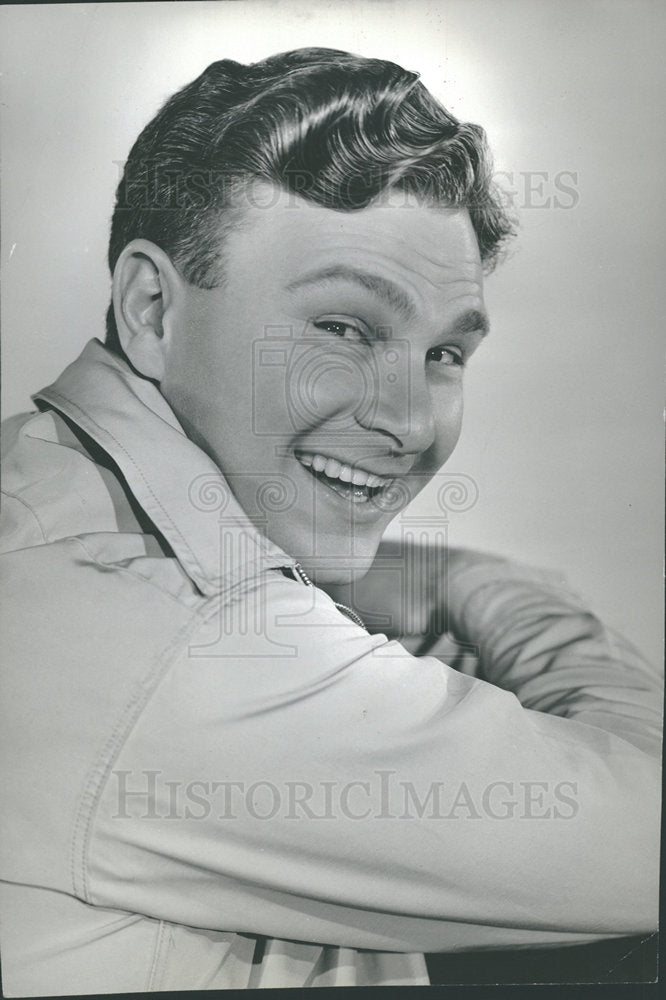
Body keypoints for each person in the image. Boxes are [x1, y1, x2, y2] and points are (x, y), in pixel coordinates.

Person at [0, 47, 660, 994]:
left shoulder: (42, 481)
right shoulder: (195, 641)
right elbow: (645, 836)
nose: (410, 423)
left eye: (443, 354)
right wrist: (501, 594)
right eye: (342, 330)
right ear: (151, 310)